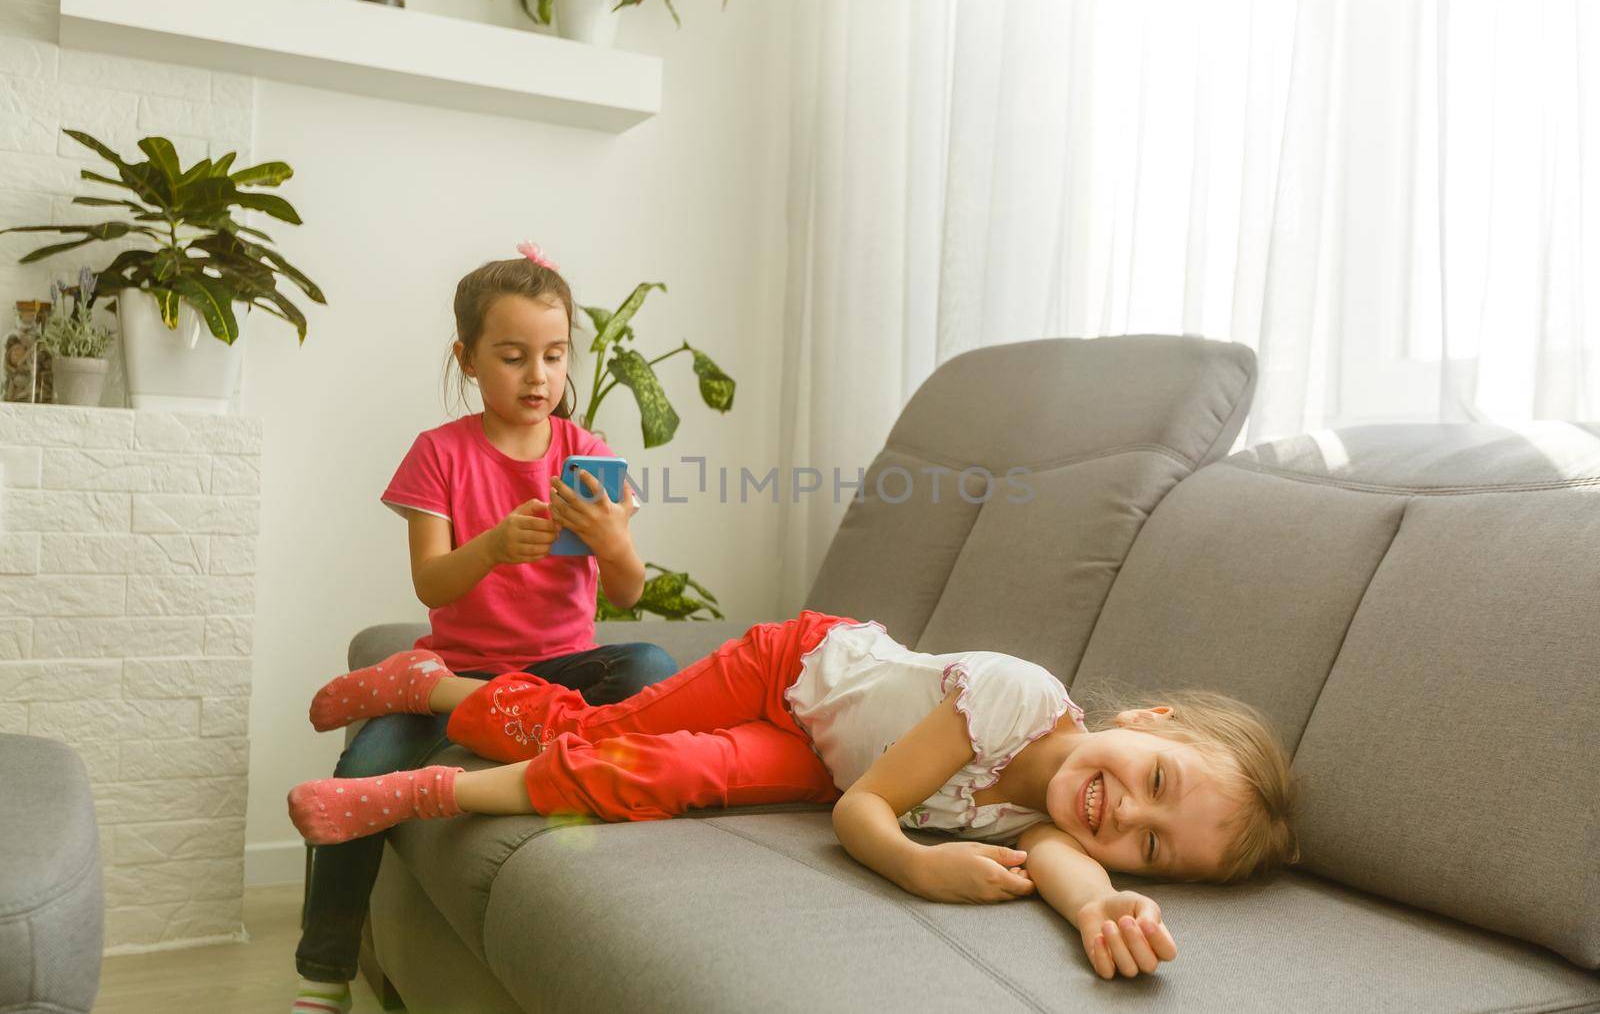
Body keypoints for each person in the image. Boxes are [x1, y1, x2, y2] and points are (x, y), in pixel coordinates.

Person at [290, 610, 1299, 983]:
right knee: (599, 730)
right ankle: (427, 713)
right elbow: (868, 814)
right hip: (794, 669)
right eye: (1155, 781)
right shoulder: (1016, 697)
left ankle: (422, 742)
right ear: (1150, 719)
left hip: (814, 760)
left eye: (1153, 848)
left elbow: (1064, 865)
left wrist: (1101, 908)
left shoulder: (1048, 820)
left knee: (657, 776)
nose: (1125, 815)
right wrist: (919, 863)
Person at [291, 245, 678, 1014]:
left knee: (651, 661)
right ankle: (322, 974)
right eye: (513, 356)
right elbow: (430, 582)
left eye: (554, 355)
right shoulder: (441, 455)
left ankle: (524, 733)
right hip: (451, 677)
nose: (538, 376)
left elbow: (630, 588)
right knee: (358, 772)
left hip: (556, 673)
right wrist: (495, 547)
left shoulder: (588, 455)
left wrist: (612, 540)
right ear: (467, 358)